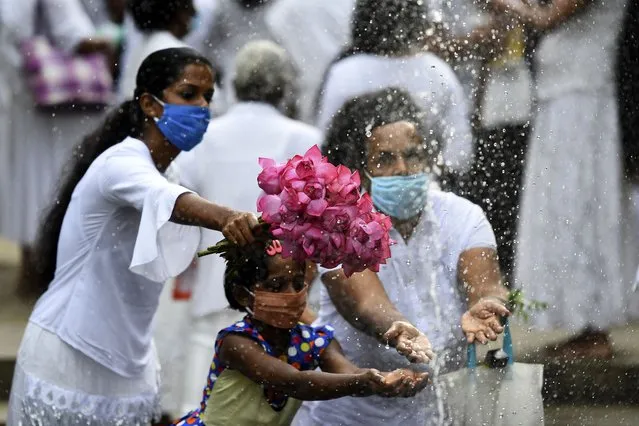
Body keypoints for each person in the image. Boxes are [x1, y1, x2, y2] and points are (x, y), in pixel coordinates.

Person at [7, 47, 259, 425]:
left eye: (208, 97)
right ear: (150, 104)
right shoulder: (120, 163)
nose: (202, 107)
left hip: (132, 366)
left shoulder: (171, 173)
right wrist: (229, 218)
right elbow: (166, 200)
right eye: (189, 94)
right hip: (69, 356)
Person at [293, 88, 511, 426]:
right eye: (385, 160)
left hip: (437, 415)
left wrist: (486, 303)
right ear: (360, 170)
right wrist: (396, 329)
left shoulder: (461, 216)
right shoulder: (340, 225)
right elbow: (365, 303)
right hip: (349, 416)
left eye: (413, 155)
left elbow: (486, 282)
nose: (403, 169)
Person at [174, 39, 323, 414]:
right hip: (283, 309)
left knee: (204, 410)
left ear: (234, 85)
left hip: (213, 301)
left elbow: (176, 207)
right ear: (285, 87)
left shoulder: (204, 138)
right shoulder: (307, 139)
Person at [493, 0, 633, 358]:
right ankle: (583, 322)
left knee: (582, 206)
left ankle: (593, 327)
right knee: (565, 207)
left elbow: (548, 16)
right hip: (566, 91)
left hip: (584, 97)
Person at [174, 234, 430, 426]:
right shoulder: (237, 343)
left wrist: (384, 380)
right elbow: (294, 383)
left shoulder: (315, 340)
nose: (291, 295)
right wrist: (363, 381)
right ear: (243, 295)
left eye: (297, 284)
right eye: (276, 286)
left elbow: (351, 372)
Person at [0, 0, 113, 294]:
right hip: (58, 106)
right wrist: (108, 42)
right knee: (57, 184)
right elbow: (74, 35)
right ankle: (46, 276)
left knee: (32, 185)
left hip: (26, 98)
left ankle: (30, 272)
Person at [316, 0, 473, 176]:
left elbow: (327, 145)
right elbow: (459, 152)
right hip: (422, 183)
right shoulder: (437, 71)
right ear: (420, 20)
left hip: (357, 189)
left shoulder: (345, 72)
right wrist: (427, 181)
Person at [265, 0, 354, 123]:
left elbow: (275, 69)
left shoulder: (281, 12)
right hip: (346, 91)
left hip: (307, 103)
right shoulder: (349, 4)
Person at [118, 0, 197, 100]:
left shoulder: (138, 48)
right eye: (189, 4)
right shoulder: (179, 53)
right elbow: (212, 107)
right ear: (178, 12)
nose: (194, 12)